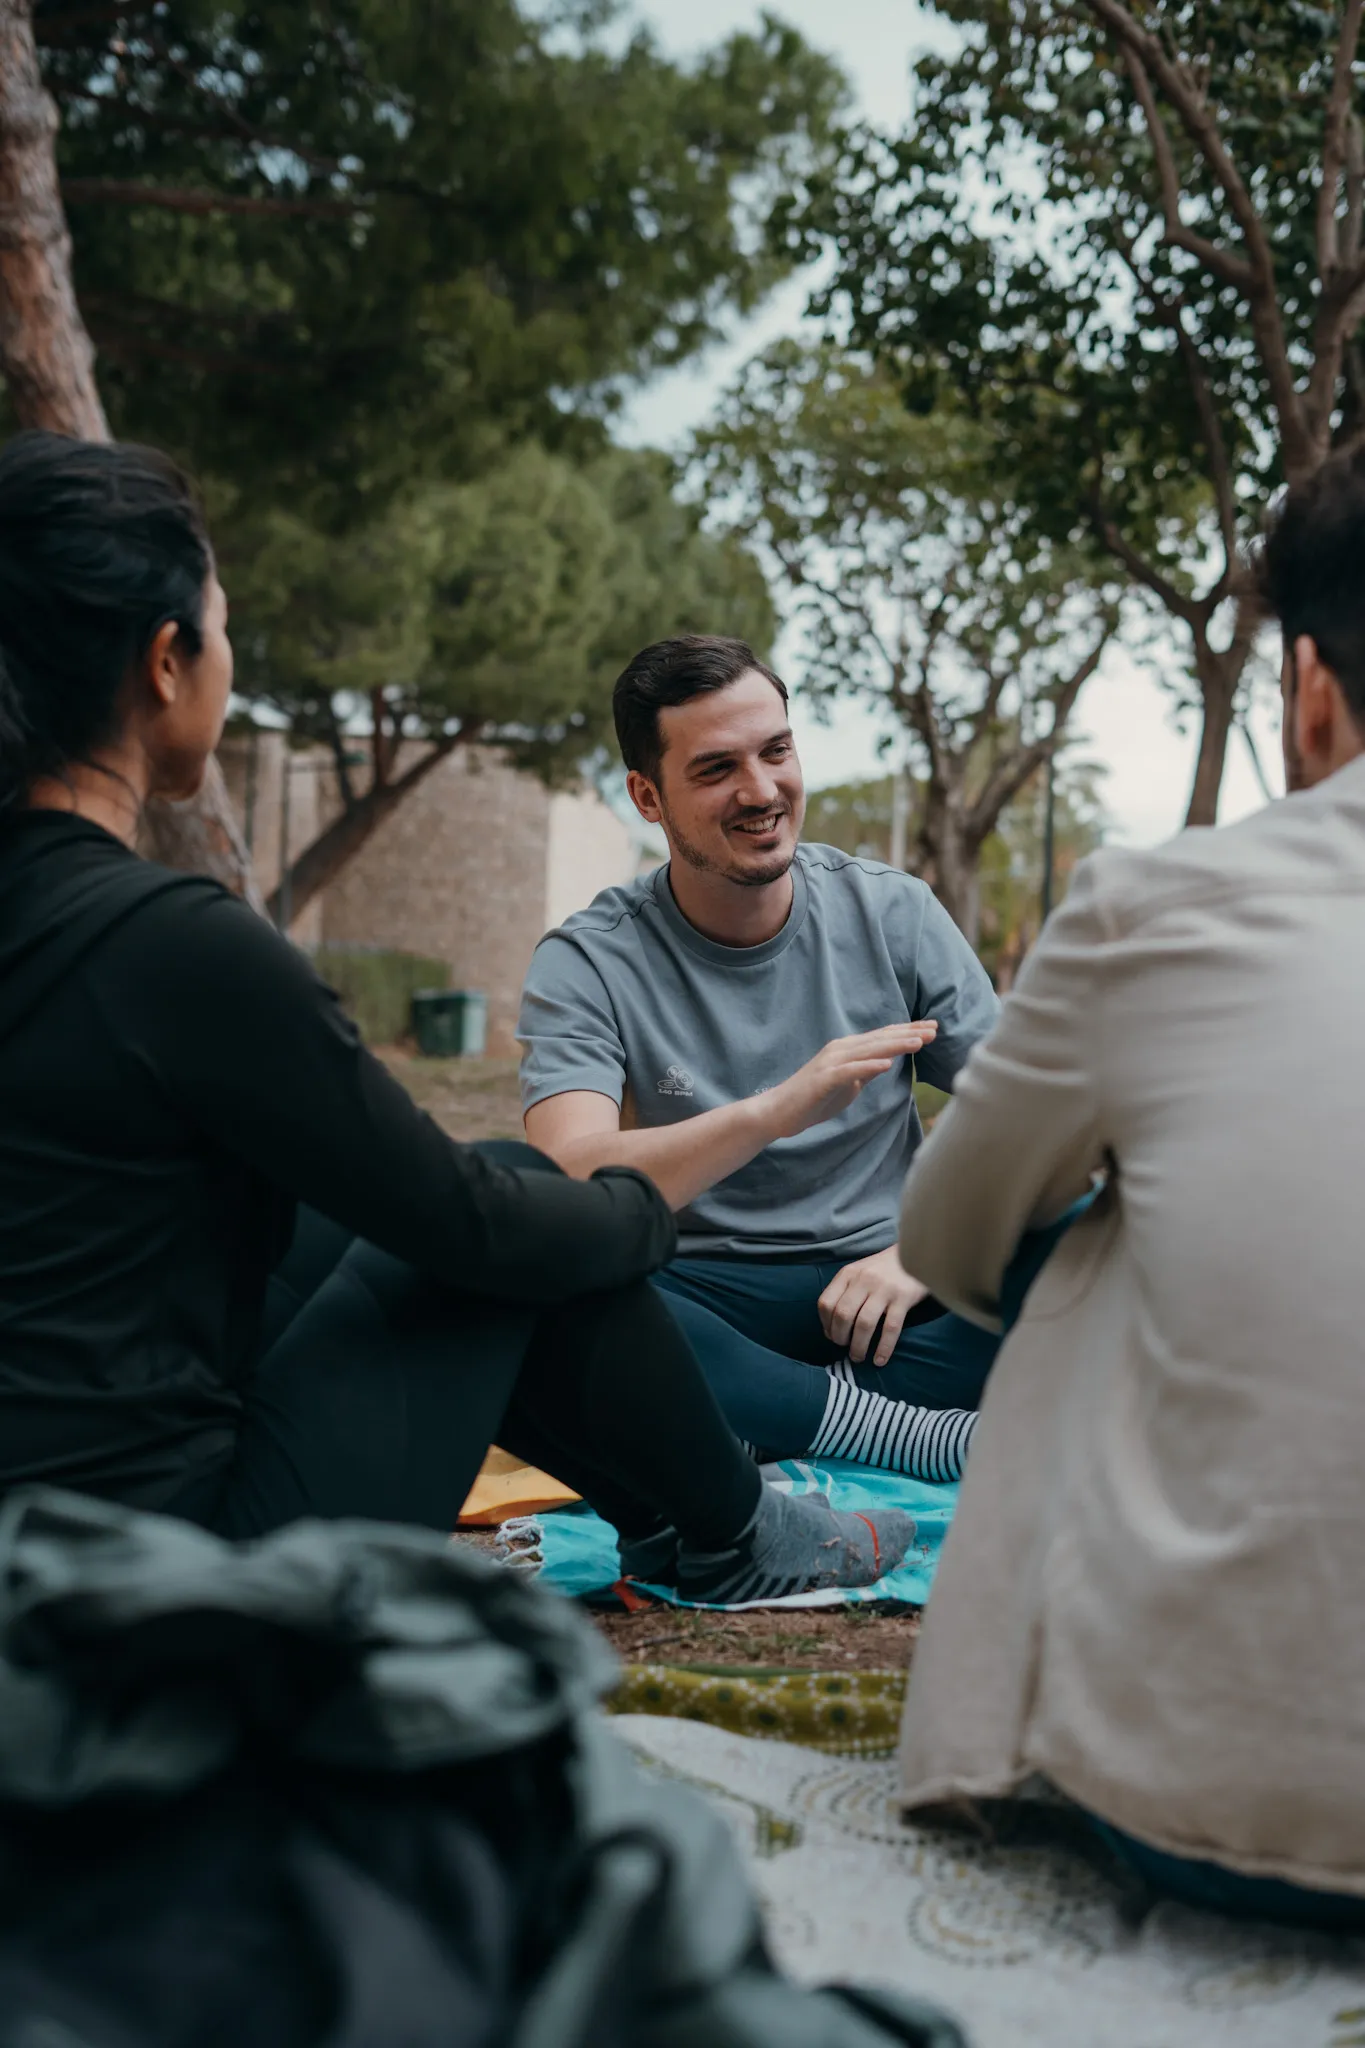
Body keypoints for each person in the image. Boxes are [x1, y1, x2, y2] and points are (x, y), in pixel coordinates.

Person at [0, 429, 918, 1606]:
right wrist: (635, 1214)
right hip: (153, 1584)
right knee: (503, 1202)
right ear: (169, 659)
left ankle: (714, 1520)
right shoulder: (170, 945)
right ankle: (736, 1531)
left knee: (348, 1226)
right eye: (226, 631)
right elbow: (466, 1224)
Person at [892, 443, 1365, 1930]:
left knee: (1101, 1239)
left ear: (1306, 686)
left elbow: (952, 1238)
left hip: (1217, 1809)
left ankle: (1017, 1730)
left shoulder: (1154, 908)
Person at [519, 634, 1002, 1485]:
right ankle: (897, 1434)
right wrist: (774, 1110)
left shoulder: (893, 912)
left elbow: (1032, 1120)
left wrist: (920, 1252)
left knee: (1092, 1221)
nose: (760, 791)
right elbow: (572, 1174)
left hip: (894, 1293)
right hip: (706, 1304)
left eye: (776, 751)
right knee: (541, 1286)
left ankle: (757, 1423)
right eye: (714, 770)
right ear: (646, 796)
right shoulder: (587, 959)